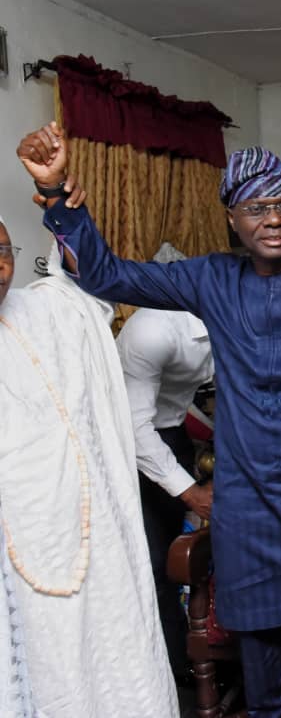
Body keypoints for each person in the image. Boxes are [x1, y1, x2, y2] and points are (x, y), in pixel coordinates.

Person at [15, 44, 281, 716]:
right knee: (263, 688)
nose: (274, 218)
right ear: (233, 220)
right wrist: (60, 195)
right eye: (256, 207)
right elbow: (108, 274)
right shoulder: (211, 278)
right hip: (253, 517)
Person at [0, 212, 178, 716]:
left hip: (93, 545)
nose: (0, 269)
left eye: (4, 253)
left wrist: (62, 203)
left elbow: (85, 285)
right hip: (17, 565)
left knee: (114, 663)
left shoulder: (43, 311)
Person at [115, 259, 215, 682]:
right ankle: (172, 674)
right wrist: (192, 493)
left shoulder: (247, 317)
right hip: (127, 441)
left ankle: (208, 650)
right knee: (159, 563)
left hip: (170, 429)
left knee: (191, 556)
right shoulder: (152, 329)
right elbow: (135, 427)